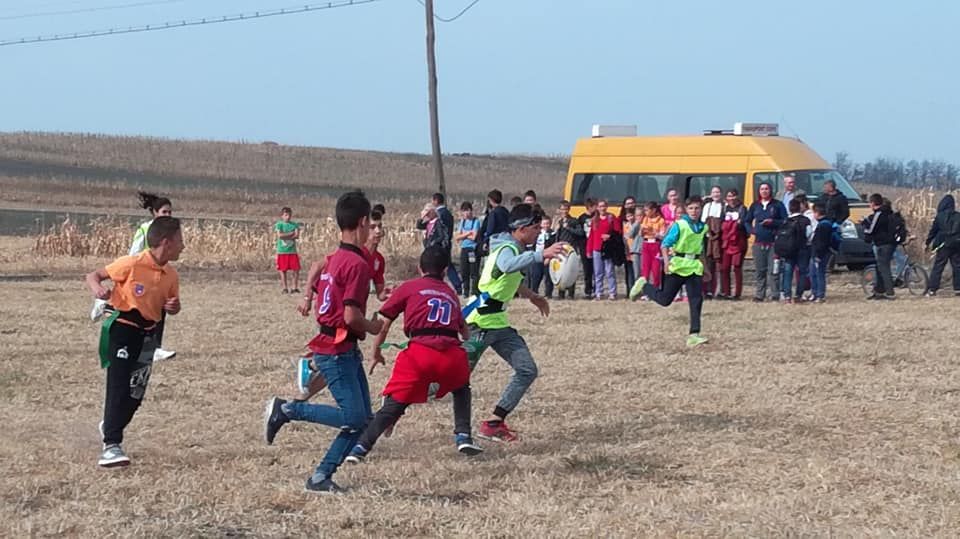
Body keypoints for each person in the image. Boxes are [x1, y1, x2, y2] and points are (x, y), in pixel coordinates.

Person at [263, 190, 384, 495]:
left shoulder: (335, 258)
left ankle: (320, 477)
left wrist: (308, 297)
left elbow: (324, 291)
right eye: (371, 224)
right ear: (363, 222)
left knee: (361, 421)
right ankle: (287, 410)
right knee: (354, 417)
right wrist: (373, 326)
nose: (373, 230)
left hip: (341, 347)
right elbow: (351, 316)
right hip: (336, 349)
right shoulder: (357, 264)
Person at [344, 246, 483, 464]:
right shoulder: (450, 293)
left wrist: (376, 351)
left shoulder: (409, 287)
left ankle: (359, 449)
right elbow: (465, 333)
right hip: (452, 356)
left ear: (419, 268)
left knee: (393, 404)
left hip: (420, 354)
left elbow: (384, 324)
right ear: (445, 271)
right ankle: (464, 435)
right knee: (462, 389)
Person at [85, 216, 183, 467]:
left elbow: (172, 305)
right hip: (122, 329)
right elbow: (93, 275)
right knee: (118, 386)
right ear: (166, 242)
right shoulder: (131, 263)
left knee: (135, 394)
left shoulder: (171, 275)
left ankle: (110, 424)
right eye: (180, 240)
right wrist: (98, 289)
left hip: (148, 336)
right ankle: (111, 445)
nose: (183, 246)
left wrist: (174, 307)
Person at [465, 203, 567, 442]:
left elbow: (509, 277)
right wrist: (541, 255)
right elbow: (507, 265)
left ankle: (493, 423)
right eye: (535, 228)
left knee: (527, 370)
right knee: (451, 379)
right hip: (480, 323)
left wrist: (532, 296)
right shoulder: (506, 248)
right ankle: (395, 401)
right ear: (521, 229)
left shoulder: (515, 248)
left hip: (498, 324)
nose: (539, 233)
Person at [291, 210, 389, 403]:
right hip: (336, 312)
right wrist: (307, 297)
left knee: (340, 363)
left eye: (380, 227)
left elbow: (379, 293)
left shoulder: (378, 260)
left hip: (350, 318)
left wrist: (388, 294)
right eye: (373, 227)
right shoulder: (351, 254)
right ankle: (309, 368)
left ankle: (301, 394)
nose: (378, 231)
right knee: (336, 359)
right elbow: (316, 267)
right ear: (362, 226)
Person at [91, 191, 178, 362]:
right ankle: (103, 304)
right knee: (131, 309)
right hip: (140, 276)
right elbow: (132, 255)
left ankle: (155, 348)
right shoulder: (145, 229)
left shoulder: (169, 232)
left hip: (156, 277)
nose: (167, 215)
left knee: (158, 309)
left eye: (169, 212)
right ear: (154, 213)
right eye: (164, 212)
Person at [630, 196, 709, 347]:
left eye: (697, 208)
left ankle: (694, 335)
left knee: (696, 300)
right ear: (686, 210)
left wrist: (706, 269)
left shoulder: (703, 227)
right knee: (665, 299)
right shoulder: (679, 225)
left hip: (694, 266)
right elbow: (665, 244)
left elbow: (701, 250)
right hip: (678, 265)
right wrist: (667, 262)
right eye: (691, 208)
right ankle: (644, 286)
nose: (694, 211)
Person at [745, 182, 787, 302]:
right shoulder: (755, 205)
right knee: (760, 270)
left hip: (774, 242)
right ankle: (760, 294)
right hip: (758, 243)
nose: (764, 191)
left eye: (766, 189)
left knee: (774, 270)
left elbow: (785, 220)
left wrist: (773, 222)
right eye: (762, 189)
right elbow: (747, 221)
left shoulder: (778, 204)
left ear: (770, 190)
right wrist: (752, 230)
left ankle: (775, 294)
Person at [417, 193, 460, 293]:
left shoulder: (441, 216)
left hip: (439, 247)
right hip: (433, 246)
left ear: (435, 201)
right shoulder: (433, 220)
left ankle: (457, 285)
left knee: (444, 266)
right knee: (443, 266)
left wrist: (436, 243)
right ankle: (456, 285)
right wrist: (422, 217)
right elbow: (419, 226)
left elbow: (443, 233)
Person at [776, 198, 812, 303]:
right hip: (802, 249)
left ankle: (787, 295)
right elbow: (809, 234)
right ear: (800, 207)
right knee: (802, 272)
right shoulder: (805, 220)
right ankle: (798, 295)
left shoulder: (786, 221)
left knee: (787, 272)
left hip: (789, 250)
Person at [924, 194, 960, 296]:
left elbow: (933, 231)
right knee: (957, 266)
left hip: (943, 244)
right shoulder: (958, 216)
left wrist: (927, 242)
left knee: (938, 266)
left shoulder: (939, 216)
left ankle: (932, 289)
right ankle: (958, 288)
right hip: (956, 244)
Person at [863, 193, 896, 300]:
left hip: (883, 244)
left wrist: (865, 225)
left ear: (873, 203)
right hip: (891, 243)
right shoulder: (889, 213)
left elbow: (872, 229)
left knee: (884, 268)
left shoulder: (879, 214)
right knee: (879, 268)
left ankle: (890, 292)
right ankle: (879, 291)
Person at [586, 199, 622, 300]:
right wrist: (589, 250)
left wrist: (610, 236)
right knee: (598, 272)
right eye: (600, 206)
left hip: (608, 248)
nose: (602, 208)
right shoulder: (594, 220)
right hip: (596, 249)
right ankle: (599, 292)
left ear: (607, 207)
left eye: (604, 206)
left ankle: (612, 292)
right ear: (597, 208)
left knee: (609, 271)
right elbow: (591, 236)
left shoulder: (611, 218)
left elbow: (618, 232)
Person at [718, 189, 748, 300]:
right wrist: (731, 224)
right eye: (729, 196)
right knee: (725, 268)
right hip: (727, 242)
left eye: (733, 196)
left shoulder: (742, 208)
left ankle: (737, 293)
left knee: (737, 268)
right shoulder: (724, 208)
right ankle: (726, 292)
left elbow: (742, 223)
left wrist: (733, 224)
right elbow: (721, 223)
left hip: (738, 242)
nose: (731, 198)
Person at [553, 200, 586, 299]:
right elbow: (553, 235)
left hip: (571, 249)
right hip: (560, 249)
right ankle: (561, 293)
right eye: (562, 209)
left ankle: (571, 293)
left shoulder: (574, 221)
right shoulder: (558, 221)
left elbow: (580, 232)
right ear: (559, 210)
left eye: (566, 209)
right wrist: (555, 228)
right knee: (561, 271)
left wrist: (568, 228)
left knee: (570, 270)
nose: (564, 211)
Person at [701, 186, 724, 299]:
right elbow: (703, 221)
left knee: (720, 266)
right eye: (714, 192)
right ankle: (709, 290)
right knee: (709, 265)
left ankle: (720, 290)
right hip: (708, 239)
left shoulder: (724, 206)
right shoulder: (707, 206)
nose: (716, 194)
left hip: (721, 239)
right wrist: (709, 233)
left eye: (718, 192)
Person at [456, 202, 481, 298]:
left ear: (471, 211)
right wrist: (467, 234)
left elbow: (474, 237)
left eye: (467, 211)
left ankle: (474, 291)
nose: (466, 213)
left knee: (473, 270)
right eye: (464, 211)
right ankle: (465, 291)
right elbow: (457, 237)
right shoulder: (462, 222)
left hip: (472, 249)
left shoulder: (476, 221)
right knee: (464, 270)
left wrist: (464, 235)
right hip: (464, 248)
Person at [810, 202, 834, 303]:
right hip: (821, 252)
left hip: (821, 254)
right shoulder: (826, 223)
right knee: (814, 273)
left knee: (819, 273)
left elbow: (821, 242)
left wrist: (818, 255)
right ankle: (815, 293)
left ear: (817, 213)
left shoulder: (823, 225)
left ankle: (820, 295)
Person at [527, 216, 557, 298]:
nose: (546, 225)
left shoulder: (553, 234)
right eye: (544, 224)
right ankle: (534, 293)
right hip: (537, 257)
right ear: (541, 224)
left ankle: (548, 294)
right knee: (536, 276)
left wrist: (549, 258)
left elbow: (553, 246)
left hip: (547, 258)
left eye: (548, 223)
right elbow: (532, 245)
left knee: (548, 277)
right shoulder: (537, 233)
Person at [275, 207, 302, 294]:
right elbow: (280, 236)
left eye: (289, 215)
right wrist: (291, 233)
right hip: (282, 251)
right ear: (282, 216)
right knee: (282, 270)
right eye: (286, 215)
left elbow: (297, 235)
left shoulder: (294, 225)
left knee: (296, 269)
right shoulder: (279, 225)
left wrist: (286, 235)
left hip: (292, 251)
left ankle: (295, 287)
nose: (288, 217)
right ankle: (285, 288)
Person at [479, 189, 510, 257]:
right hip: (506, 239)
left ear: (491, 200)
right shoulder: (506, 211)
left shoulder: (493, 213)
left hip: (495, 241)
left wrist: (485, 241)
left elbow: (490, 229)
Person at [578, 198, 598, 298]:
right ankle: (588, 290)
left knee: (596, 269)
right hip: (584, 246)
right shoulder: (582, 218)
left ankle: (596, 289)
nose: (596, 208)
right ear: (589, 207)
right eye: (594, 206)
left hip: (595, 245)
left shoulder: (597, 216)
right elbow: (579, 233)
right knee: (587, 269)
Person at [619, 197, 638, 293]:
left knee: (637, 270)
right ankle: (629, 290)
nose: (630, 205)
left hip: (637, 249)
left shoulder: (639, 219)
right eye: (628, 203)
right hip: (627, 248)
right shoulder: (622, 221)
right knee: (629, 270)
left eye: (632, 203)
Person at [625, 206, 644, 294]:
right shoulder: (635, 225)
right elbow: (630, 235)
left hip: (645, 250)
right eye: (637, 215)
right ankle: (637, 291)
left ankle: (645, 291)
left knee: (644, 271)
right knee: (637, 272)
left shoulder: (646, 223)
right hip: (635, 250)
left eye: (641, 215)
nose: (639, 217)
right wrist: (636, 223)